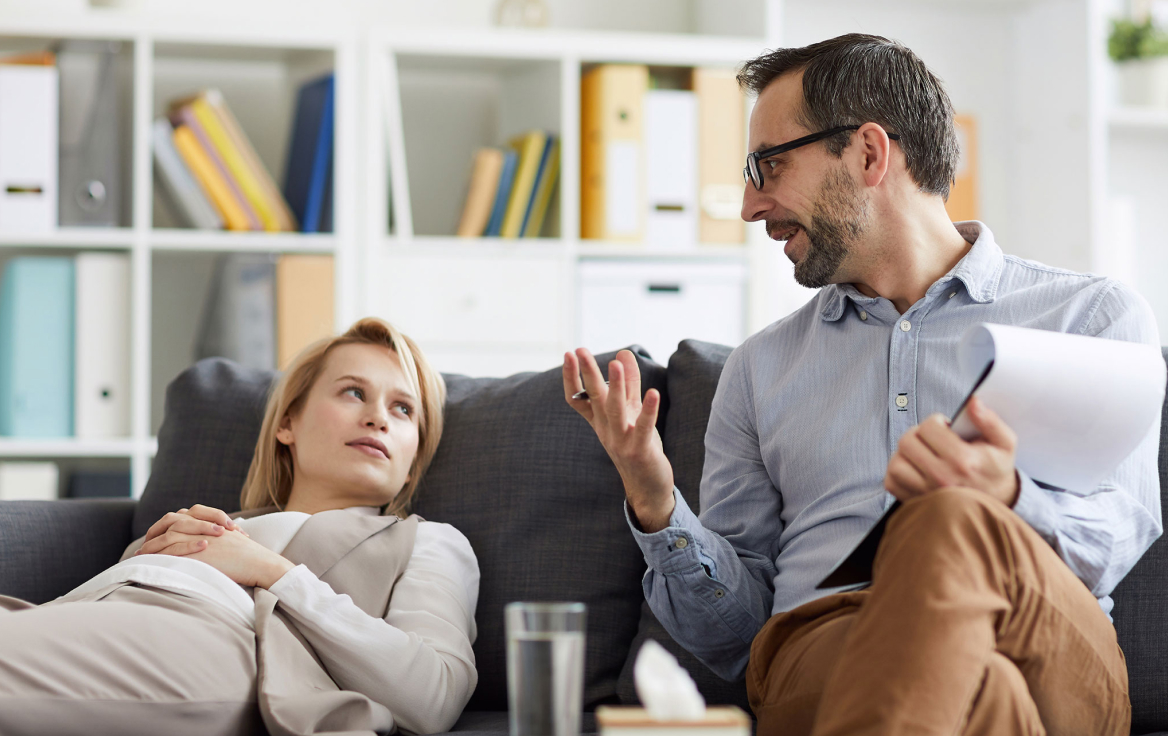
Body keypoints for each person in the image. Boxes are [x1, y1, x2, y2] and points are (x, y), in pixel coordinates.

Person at [563, 33, 1161, 736]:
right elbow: (735, 639)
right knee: (985, 688)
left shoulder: (1089, 317)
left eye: (768, 165)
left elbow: (1119, 537)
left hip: (1043, 643)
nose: (750, 206)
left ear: (870, 154)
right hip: (828, 645)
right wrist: (656, 503)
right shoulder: (760, 369)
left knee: (949, 518)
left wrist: (1005, 499)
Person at [0, 317, 478, 736]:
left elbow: (432, 695)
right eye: (354, 392)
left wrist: (271, 571)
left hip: (218, 644)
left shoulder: (429, 540)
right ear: (287, 423)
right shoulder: (228, 521)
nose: (377, 418)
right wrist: (144, 552)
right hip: (82, 611)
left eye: (403, 409)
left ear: (412, 464)